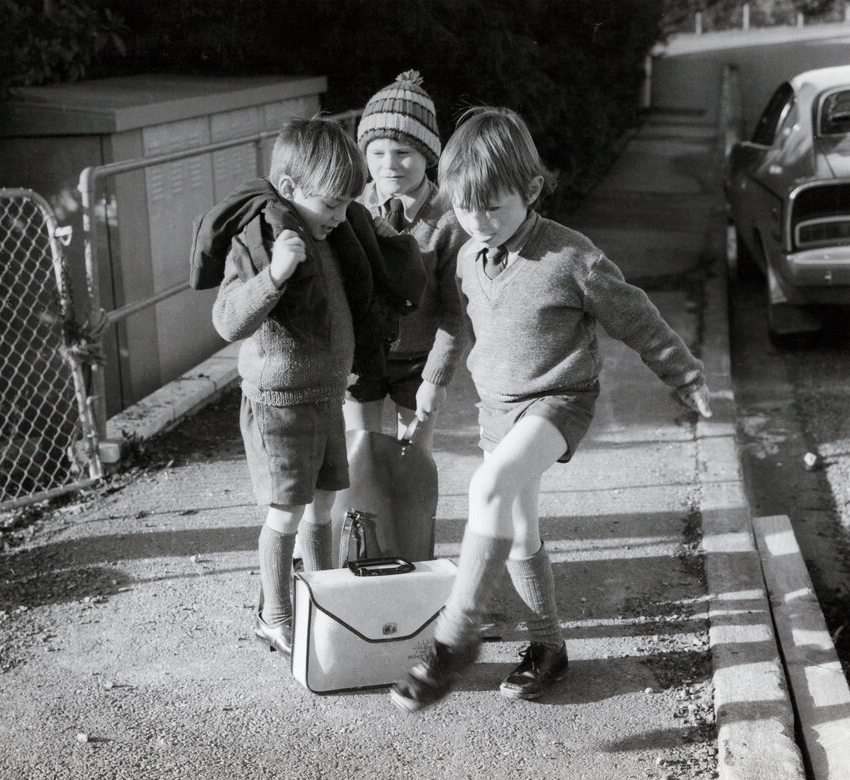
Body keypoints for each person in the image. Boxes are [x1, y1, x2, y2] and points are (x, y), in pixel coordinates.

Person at [389, 106, 713, 712]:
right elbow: (460, 327)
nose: (479, 222)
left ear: (532, 189)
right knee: (517, 535)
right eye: (465, 208)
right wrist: (434, 380)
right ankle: (549, 647)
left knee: (488, 487)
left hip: (558, 402)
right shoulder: (466, 257)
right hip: (497, 410)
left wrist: (683, 374)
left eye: (494, 206)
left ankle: (454, 640)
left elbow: (635, 316)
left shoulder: (571, 258)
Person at [194, 117, 425, 658]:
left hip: (325, 397)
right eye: (332, 206)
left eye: (349, 206)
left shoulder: (327, 232)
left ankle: (320, 604)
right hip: (280, 407)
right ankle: (275, 615)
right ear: (292, 190)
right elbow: (228, 321)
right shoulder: (264, 238)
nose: (342, 217)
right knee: (285, 514)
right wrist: (273, 275)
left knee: (324, 510)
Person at [345, 70, 468, 453]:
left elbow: (456, 311)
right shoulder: (350, 208)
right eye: (377, 153)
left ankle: (412, 516)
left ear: (428, 155)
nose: (389, 165)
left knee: (411, 454)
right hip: (361, 355)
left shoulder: (449, 219)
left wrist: (437, 377)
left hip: (419, 361)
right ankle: (361, 517)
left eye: (403, 153)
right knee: (358, 454)